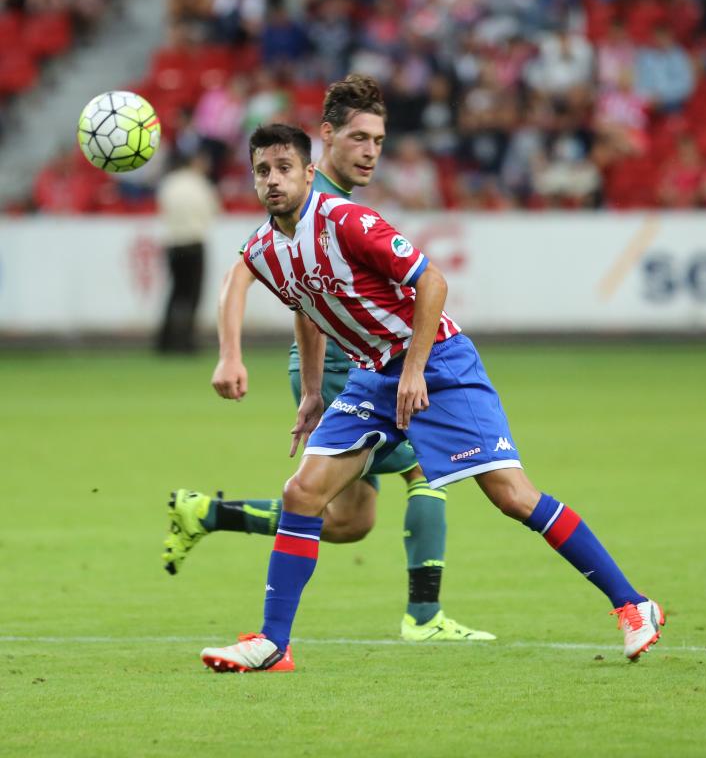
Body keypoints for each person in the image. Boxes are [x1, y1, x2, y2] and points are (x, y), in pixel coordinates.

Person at [197, 123, 664, 673]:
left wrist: (415, 369)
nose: (272, 180)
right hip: (373, 378)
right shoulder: (264, 249)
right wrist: (316, 391)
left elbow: (432, 282)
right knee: (302, 493)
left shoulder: (347, 220)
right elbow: (305, 307)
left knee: (513, 497)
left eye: (283, 168)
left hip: (438, 362)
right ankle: (274, 644)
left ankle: (635, 604)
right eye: (262, 171)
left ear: (307, 171)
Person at [163, 75, 494, 643]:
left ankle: (209, 514)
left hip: (343, 366)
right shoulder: (307, 201)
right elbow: (239, 275)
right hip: (354, 367)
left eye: (378, 141)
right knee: (429, 467)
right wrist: (231, 355)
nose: (370, 152)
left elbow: (303, 295)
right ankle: (423, 617)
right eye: (359, 138)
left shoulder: (335, 208)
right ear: (324, 141)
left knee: (349, 523)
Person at [156, 151, 220, 354]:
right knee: (193, 295)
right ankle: (186, 342)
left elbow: (162, 208)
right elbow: (213, 211)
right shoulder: (200, 184)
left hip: (174, 242)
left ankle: (165, 341)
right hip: (194, 242)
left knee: (175, 293)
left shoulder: (169, 183)